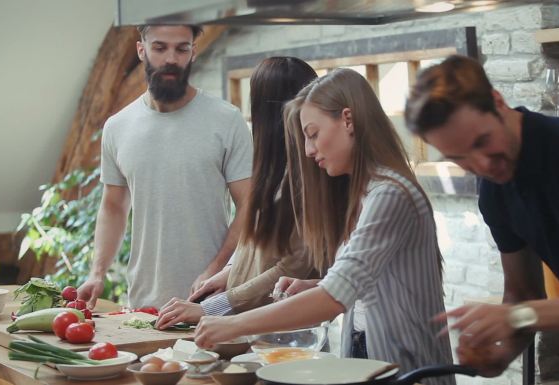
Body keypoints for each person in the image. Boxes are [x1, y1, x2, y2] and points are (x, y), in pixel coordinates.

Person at [405, 54, 559, 381]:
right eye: (460, 158)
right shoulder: (495, 191)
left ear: (498, 102)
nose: (481, 165)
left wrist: (515, 316)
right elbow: (523, 295)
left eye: (482, 141)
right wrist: (500, 354)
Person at [192, 68, 455, 384]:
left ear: (348, 120)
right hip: (370, 362)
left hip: (410, 372)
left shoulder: (390, 194)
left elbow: (335, 297)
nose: (308, 150)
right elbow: (362, 288)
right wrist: (315, 286)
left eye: (313, 134)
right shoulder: (364, 193)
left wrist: (232, 323)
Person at [77, 25, 253, 309]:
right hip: (143, 305)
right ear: (141, 50)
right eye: (160, 48)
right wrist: (97, 273)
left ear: (193, 52)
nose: (171, 58)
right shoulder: (117, 127)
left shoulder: (226, 120)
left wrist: (217, 270)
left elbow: (249, 205)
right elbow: (113, 206)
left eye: (181, 48)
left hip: (209, 302)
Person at [154, 57, 319, 328]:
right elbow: (257, 243)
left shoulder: (310, 173)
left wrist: (212, 307)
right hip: (255, 324)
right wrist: (229, 272)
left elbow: (294, 266)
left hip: (283, 330)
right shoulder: (272, 166)